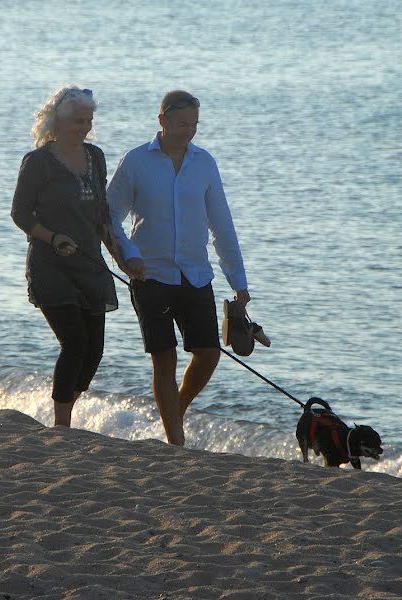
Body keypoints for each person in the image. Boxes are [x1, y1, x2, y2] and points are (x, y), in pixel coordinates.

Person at [107, 89, 251, 446]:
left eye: (195, 125)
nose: (189, 131)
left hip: (195, 273)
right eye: (182, 123)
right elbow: (109, 216)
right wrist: (127, 255)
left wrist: (238, 280)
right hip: (149, 274)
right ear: (163, 121)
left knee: (208, 354)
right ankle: (176, 441)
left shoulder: (204, 164)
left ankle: (175, 409)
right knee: (165, 356)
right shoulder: (136, 161)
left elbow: (222, 224)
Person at [11, 84, 123, 428]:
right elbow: (20, 214)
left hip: (90, 265)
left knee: (95, 352)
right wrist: (53, 237)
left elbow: (102, 215)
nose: (85, 126)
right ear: (57, 123)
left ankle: (64, 410)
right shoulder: (38, 162)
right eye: (78, 120)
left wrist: (123, 260)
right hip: (51, 265)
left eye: (89, 120)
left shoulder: (96, 157)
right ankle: (62, 426)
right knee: (75, 342)